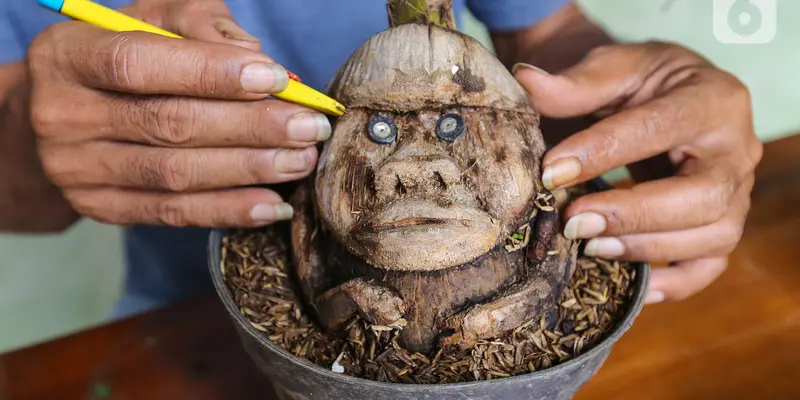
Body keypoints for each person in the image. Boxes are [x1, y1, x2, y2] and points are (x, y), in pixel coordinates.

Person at [0, 0, 762, 318]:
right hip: (191, 320)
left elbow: (548, 39)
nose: (412, 173)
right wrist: (36, 136)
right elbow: (18, 205)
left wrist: (633, 96)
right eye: (385, 134)